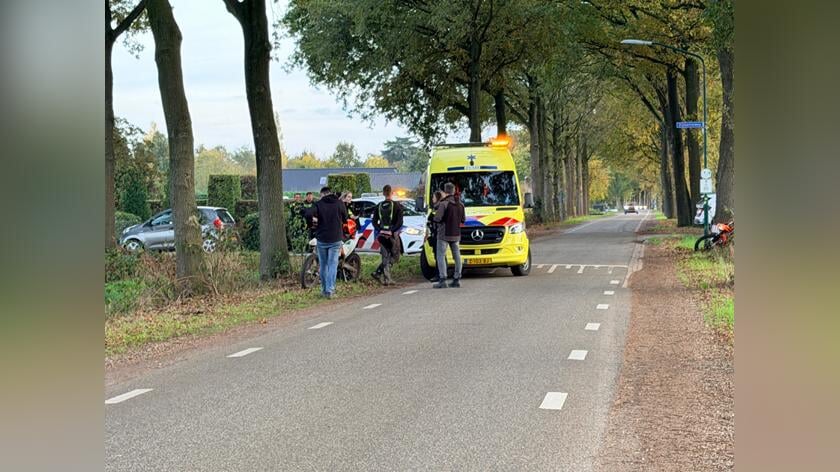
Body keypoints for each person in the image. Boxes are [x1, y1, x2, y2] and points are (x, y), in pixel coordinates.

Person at [306, 187, 348, 298]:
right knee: (332, 265)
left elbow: (308, 214)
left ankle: (324, 290)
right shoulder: (339, 203)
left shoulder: (318, 204)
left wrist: (311, 224)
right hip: (335, 238)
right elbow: (345, 218)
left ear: (322, 194)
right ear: (330, 193)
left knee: (323, 265)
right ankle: (330, 290)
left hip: (321, 238)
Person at [433, 182, 465, 288]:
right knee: (457, 256)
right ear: (454, 190)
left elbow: (437, 218)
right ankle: (457, 279)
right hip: (456, 234)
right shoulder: (460, 204)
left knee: (440, 256)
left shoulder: (444, 204)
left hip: (444, 234)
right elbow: (463, 219)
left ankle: (443, 280)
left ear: (445, 191)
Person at [371, 185, 404, 286]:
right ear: (392, 192)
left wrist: (380, 229)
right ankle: (385, 277)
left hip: (381, 235)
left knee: (385, 256)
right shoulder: (397, 206)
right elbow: (400, 222)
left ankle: (381, 274)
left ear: (383, 193)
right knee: (396, 256)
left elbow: (374, 221)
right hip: (392, 235)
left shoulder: (379, 206)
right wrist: (392, 230)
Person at [426, 191, 445, 282]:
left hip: (438, 235)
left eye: (433, 197)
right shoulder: (435, 208)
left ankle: (439, 275)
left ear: (437, 198)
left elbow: (436, 220)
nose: (432, 199)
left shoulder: (439, 208)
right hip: (435, 235)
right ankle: (441, 274)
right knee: (438, 255)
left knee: (439, 256)